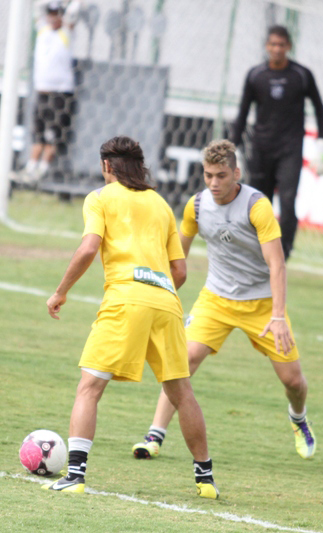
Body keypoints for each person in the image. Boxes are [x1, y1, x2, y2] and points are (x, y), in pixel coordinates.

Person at [43, 136, 219, 499]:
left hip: (125, 300)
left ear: (107, 166)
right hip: (167, 302)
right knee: (182, 393)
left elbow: (89, 248)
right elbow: (180, 271)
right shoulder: (161, 204)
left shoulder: (100, 198)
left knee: (89, 387)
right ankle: (206, 481)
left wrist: (60, 291)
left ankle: (75, 476)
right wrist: (156, 290)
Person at [131, 139, 316, 462]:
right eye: (208, 175)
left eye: (221, 175)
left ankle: (298, 418)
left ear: (236, 173)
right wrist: (159, 293)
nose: (214, 183)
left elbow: (277, 264)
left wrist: (278, 316)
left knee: (293, 381)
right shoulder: (196, 206)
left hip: (262, 303)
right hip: (216, 298)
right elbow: (178, 257)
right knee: (184, 360)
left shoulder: (256, 206)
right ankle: (154, 436)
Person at [230, 25, 323, 260]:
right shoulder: (256, 75)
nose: (277, 49)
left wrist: (321, 145)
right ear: (267, 46)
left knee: (288, 200)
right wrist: (233, 150)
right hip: (261, 148)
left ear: (289, 47)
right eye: (273, 44)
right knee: (258, 202)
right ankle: (255, 249)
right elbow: (242, 113)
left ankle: (284, 252)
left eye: (281, 45)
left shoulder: (301, 75)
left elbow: (319, 109)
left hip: (290, 149)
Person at [21, 1, 76, 183]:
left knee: (53, 134)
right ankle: (30, 168)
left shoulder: (65, 33)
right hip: (42, 91)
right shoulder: (42, 31)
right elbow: (36, 8)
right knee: (37, 132)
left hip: (60, 92)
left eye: (56, 13)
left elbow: (74, 13)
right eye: (50, 13)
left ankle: (42, 170)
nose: (53, 17)